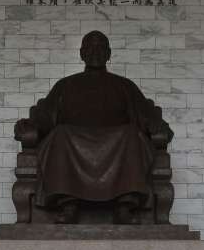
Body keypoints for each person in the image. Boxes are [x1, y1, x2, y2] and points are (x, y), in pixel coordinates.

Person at [15, 30, 173, 224]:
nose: (95, 52)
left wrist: (157, 125)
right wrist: (30, 125)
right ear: (82, 54)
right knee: (60, 133)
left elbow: (145, 115)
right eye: (90, 47)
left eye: (100, 48)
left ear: (108, 54)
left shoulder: (124, 86)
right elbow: (46, 116)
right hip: (72, 141)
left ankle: (124, 205)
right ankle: (68, 203)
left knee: (132, 134)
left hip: (118, 142)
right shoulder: (65, 85)